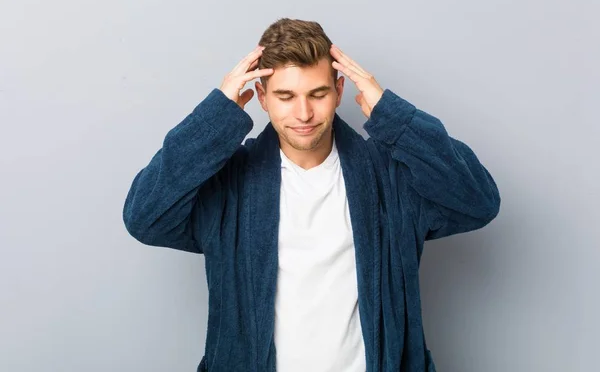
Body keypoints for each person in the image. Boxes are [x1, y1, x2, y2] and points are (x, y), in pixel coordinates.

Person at [122, 18, 501, 372]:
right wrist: (216, 118)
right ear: (261, 97)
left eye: (317, 94)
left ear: (339, 91)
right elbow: (145, 218)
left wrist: (394, 117)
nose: (303, 113)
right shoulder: (229, 184)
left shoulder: (390, 177)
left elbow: (478, 202)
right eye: (285, 96)